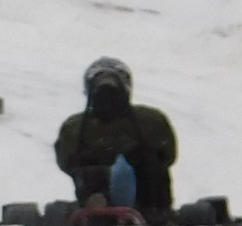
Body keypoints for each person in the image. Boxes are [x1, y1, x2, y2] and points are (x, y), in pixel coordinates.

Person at [54, 56, 177, 215]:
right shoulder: (152, 120)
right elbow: (168, 156)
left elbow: (66, 162)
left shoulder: (74, 127)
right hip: (151, 208)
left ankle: (100, 202)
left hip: (105, 207)